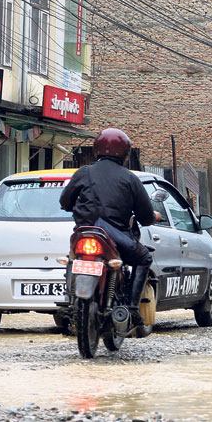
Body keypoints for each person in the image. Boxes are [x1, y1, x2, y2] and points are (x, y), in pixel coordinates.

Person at [59, 128, 160, 323]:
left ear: (97, 149)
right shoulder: (130, 178)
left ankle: (69, 299)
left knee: (72, 260)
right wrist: (154, 216)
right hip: (116, 237)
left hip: (83, 234)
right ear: (125, 153)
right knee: (144, 258)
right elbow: (146, 217)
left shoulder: (84, 172)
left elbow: (64, 203)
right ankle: (131, 308)